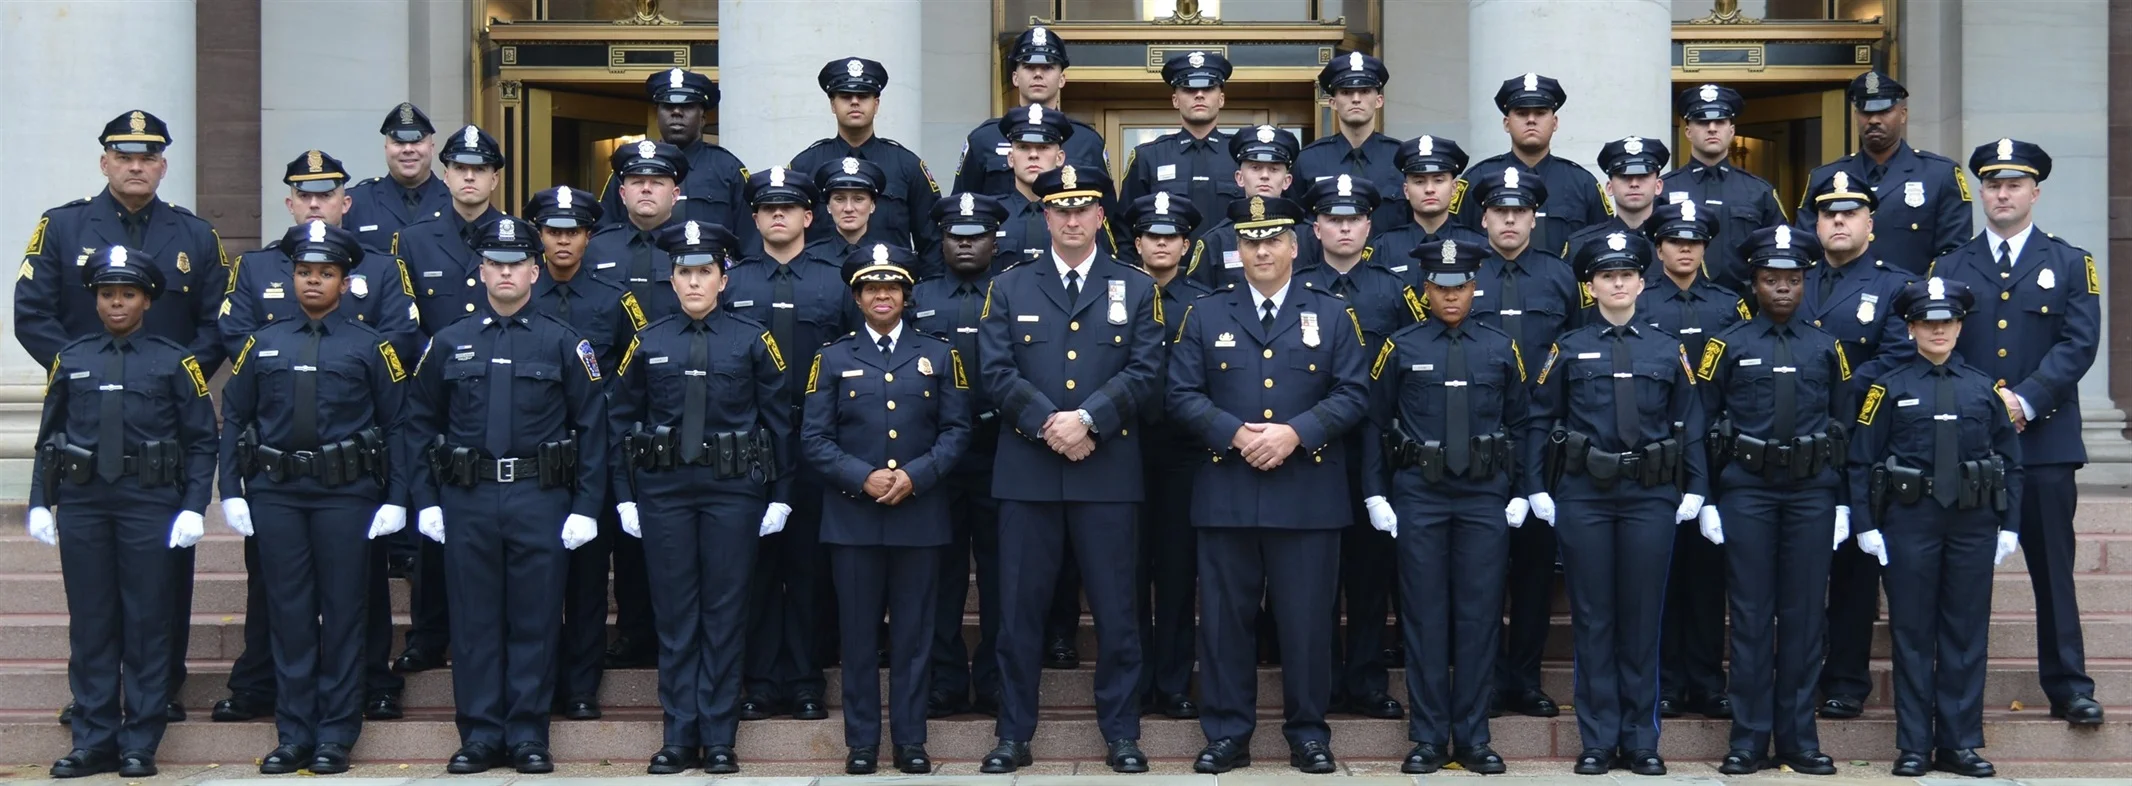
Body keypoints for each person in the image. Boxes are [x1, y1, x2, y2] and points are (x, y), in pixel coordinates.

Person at [18, 110, 228, 727]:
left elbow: (218, 321)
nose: (137, 167)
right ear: (104, 162)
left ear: (163, 166)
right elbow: (32, 312)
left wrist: (169, 378)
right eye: (125, 157)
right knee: (94, 591)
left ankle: (159, 688)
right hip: (87, 419)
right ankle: (94, 697)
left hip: (163, 424)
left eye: (148, 158)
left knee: (164, 573)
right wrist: (87, 372)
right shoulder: (62, 226)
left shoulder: (195, 235)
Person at [212, 149, 422, 727]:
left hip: (350, 461)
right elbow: (237, 336)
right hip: (278, 455)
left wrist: (342, 361)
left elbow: (400, 339)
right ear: (289, 203)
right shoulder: (257, 267)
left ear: (344, 203)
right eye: (303, 195)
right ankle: (266, 684)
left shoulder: (381, 267)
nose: (313, 203)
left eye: (325, 195)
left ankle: (368, 684)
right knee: (276, 588)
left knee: (358, 588)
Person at [1166, 195, 1369, 775]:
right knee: (1224, 625)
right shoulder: (1205, 314)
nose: (1262, 251)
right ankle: (1227, 733)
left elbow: (1355, 392)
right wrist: (1234, 434)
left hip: (1307, 494)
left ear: (1294, 246)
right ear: (1237, 249)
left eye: (1273, 239)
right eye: (1251, 241)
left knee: (1307, 625)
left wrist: (1295, 434)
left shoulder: (1332, 313)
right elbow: (1180, 393)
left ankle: (1308, 733)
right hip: (1227, 492)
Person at [975, 163, 1163, 775]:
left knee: (1118, 613)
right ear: (1045, 215)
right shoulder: (1010, 286)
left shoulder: (1135, 286)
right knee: (1017, 614)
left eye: (1083, 208)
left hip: (1107, 472)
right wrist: (1049, 424)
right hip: (1028, 473)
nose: (1073, 218)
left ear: (1101, 216)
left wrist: (1087, 420)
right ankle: (1013, 734)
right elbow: (995, 372)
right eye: (1061, 208)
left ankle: (1122, 733)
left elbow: (1146, 369)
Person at [404, 216, 607, 775]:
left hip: (539, 496)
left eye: (517, 263)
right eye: (496, 264)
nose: (506, 273)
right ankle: (479, 735)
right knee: (473, 622)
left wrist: (586, 507)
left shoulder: (564, 342)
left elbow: (593, 428)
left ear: (534, 271)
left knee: (535, 620)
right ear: (481, 271)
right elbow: (418, 424)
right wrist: (426, 501)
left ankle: (527, 734)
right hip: (467, 497)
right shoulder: (450, 342)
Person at [606, 220, 792, 775]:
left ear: (722, 279)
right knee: (675, 613)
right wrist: (625, 496)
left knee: (725, 612)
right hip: (664, 490)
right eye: (684, 272)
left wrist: (780, 495)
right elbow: (620, 420)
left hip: (733, 490)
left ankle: (718, 735)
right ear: (671, 279)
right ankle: (678, 735)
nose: (693, 282)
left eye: (704, 272)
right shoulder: (648, 340)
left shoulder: (754, 339)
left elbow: (780, 423)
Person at [1930, 139, 2104, 725]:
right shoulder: (1950, 267)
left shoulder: (2071, 262)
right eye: (1992, 185)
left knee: (2053, 572)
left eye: (2014, 185)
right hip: (1972, 444)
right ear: (1981, 191)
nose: (2001, 194)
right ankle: (1956, 695)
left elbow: (2079, 344)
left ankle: (2070, 686)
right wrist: (1989, 404)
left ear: (2035, 192)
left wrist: (2024, 399)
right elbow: (1941, 348)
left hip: (2045, 442)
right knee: (1963, 575)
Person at [1524, 229, 1708, 777]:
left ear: (1641, 283)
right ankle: (1599, 739)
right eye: (1607, 276)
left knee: (1642, 618)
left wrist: (1696, 487)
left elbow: (1690, 420)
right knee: (1593, 618)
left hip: (1650, 495)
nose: (1618, 283)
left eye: (1627, 274)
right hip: (1585, 494)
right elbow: (1541, 418)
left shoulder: (1666, 348)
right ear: (1591, 286)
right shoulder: (1568, 347)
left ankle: (1641, 739)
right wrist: (1536, 486)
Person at [27, 248, 216, 779]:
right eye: (107, 294)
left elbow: (202, 440)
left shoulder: (174, 361)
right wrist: (41, 499)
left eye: (127, 294)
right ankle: (93, 739)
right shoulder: (72, 358)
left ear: (146, 300)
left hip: (149, 501)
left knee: (146, 622)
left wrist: (194, 506)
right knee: (91, 623)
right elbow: (49, 438)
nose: (116, 303)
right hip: (85, 501)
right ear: (95, 299)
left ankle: (140, 740)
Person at [803, 244, 971, 774]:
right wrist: (862, 476)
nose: (882, 295)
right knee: (857, 638)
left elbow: (957, 429)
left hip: (918, 516)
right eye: (872, 288)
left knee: (915, 637)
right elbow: (814, 438)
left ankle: (910, 741)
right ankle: (861, 744)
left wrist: (916, 475)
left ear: (906, 294)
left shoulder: (939, 355)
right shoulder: (832, 358)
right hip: (853, 519)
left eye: (891, 287)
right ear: (857, 297)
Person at [1363, 237, 1528, 775]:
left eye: (1460, 286)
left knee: (1480, 615)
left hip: (1484, 494)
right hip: (1420, 492)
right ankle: (1430, 736)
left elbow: (1522, 422)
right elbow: (1375, 421)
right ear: (1425, 289)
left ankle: (1474, 737)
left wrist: (1522, 490)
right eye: (1440, 287)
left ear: (1475, 287)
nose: (1451, 296)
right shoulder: (1400, 346)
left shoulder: (1501, 347)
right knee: (1424, 615)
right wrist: (1376, 492)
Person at [1847, 277, 2021, 778]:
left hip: (1972, 521)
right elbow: (1861, 459)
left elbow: (2012, 462)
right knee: (1912, 632)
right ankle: (1913, 745)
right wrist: (1866, 524)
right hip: (1910, 520)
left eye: (1947, 322)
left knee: (1965, 633)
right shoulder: (1888, 388)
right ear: (1911, 327)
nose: (1938, 330)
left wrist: (2009, 526)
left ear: (1960, 326)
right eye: (1927, 322)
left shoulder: (1984, 388)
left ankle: (1960, 744)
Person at [1695, 225, 1852, 775]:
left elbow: (1846, 425)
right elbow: (1700, 422)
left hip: (1811, 493)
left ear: (1805, 282)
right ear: (1754, 282)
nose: (1782, 288)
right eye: (1770, 279)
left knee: (1805, 619)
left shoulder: (1827, 346)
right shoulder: (1726, 345)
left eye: (1792, 279)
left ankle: (1798, 740)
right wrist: (1707, 498)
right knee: (1751, 617)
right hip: (1748, 491)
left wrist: (1844, 503)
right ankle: (1747, 740)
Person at [726, 167, 859, 723]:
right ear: (755, 217)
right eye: (767, 208)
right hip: (748, 443)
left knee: (808, 567)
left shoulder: (837, 280)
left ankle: (806, 680)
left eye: (788, 207)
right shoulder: (732, 281)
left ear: (809, 216)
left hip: (816, 441)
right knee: (756, 567)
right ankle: (759, 681)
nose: (777, 215)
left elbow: (855, 356)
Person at [1295, 174, 1423, 721]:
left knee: (1370, 574)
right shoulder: (1298, 287)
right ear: (1316, 228)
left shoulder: (1393, 290)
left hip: (1374, 446)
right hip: (1310, 446)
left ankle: (1368, 681)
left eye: (1354, 220)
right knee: (1314, 575)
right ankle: (1321, 682)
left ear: (1369, 226)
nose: (1344, 229)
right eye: (1333, 219)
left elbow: (1414, 357)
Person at [522, 185, 646, 720]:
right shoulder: (523, 296)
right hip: (537, 455)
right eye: (553, 231)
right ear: (540, 237)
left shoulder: (615, 299)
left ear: (588, 236)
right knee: (539, 580)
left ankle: (580, 687)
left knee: (590, 579)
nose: (563, 241)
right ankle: (542, 681)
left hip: (601, 450)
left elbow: (639, 366)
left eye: (572, 232)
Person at [391, 123, 510, 676]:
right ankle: (428, 633)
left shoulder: (514, 236)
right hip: (436, 393)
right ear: (446, 174)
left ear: (494, 178)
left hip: (498, 392)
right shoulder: (414, 239)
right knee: (433, 522)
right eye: (460, 168)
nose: (469, 178)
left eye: (479, 169)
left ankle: (488, 632)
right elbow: (403, 318)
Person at [1465, 165, 1579, 719]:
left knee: (1535, 570)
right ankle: (1485, 680)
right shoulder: (1462, 274)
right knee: (1482, 573)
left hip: (1541, 437)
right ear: (1483, 217)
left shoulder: (1560, 277)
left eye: (1519, 212)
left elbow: (1574, 351)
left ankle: (1525, 680)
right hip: (1479, 436)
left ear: (1535, 218)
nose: (1509, 220)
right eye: (1499, 211)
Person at [1804, 168, 1918, 719]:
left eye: (1850, 213)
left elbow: (1897, 358)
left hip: (1859, 444)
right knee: (1802, 571)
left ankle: (1847, 680)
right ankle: (1800, 673)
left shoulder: (1896, 286)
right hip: (1798, 445)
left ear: (1870, 223)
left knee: (1852, 572)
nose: (1839, 221)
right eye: (1829, 213)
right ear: (1816, 223)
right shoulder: (1792, 277)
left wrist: (1826, 381)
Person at [1633, 200, 1748, 720]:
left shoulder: (1728, 305)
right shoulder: (1640, 301)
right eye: (1675, 241)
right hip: (1654, 450)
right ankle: (1665, 681)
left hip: (1714, 451)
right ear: (1658, 248)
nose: (1685, 249)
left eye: (1694, 242)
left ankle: (1705, 680)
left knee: (1706, 575)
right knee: (1660, 573)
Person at [910, 193, 1010, 719]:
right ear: (942, 240)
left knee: (1001, 574)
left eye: (977, 236)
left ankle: (995, 679)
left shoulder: (1013, 291)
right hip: (936, 457)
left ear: (995, 240)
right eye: (956, 236)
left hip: (1003, 450)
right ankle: (945, 678)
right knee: (940, 574)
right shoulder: (917, 295)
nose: (966, 244)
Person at [1120, 191, 1210, 720]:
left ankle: (1174, 682)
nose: (1161, 244)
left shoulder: (1204, 303)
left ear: (1186, 245)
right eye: (1152, 236)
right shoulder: (1117, 292)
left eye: (1170, 236)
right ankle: (1134, 679)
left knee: (1177, 572)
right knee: (1127, 572)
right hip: (1122, 448)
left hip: (1183, 452)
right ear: (1137, 243)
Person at [1795, 71, 1971, 275]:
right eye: (1866, 113)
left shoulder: (1939, 174)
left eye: (1884, 111)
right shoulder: (1825, 177)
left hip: (1911, 293)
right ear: (1856, 116)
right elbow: (1806, 250)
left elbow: (1954, 255)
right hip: (1841, 293)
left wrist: (1919, 292)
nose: (1874, 120)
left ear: (1903, 115)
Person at [790, 57, 941, 260]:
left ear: (876, 104)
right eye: (845, 96)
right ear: (833, 105)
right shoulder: (804, 166)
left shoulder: (907, 165)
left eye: (863, 96)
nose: (854, 102)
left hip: (889, 277)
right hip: (819, 278)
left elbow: (932, 241)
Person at [1449, 74, 1610, 259]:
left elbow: (1602, 243)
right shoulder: (1477, 180)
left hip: (1565, 278)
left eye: (1540, 113)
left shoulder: (1582, 183)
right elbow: (1456, 240)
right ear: (1506, 123)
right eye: (1521, 113)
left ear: (1555, 122)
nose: (1531, 120)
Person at [597, 68, 751, 245]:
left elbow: (750, 241)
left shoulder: (728, 168)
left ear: (703, 117)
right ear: (657, 115)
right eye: (668, 106)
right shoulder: (630, 168)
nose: (676, 112)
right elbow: (604, 235)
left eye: (687, 106)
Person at [953, 26, 1108, 200]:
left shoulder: (1087, 141)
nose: (1038, 74)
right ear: (1015, 77)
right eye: (1029, 67)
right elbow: (962, 205)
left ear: (1062, 79)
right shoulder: (984, 139)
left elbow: (1106, 211)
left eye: (1047, 67)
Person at [1662, 84, 1788, 293]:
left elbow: (1778, 251)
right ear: (1688, 132)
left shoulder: (1758, 191)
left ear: (1732, 131)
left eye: (1720, 121)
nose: (1712, 128)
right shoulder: (1664, 189)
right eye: (1702, 121)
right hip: (1677, 300)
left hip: (1742, 302)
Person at [1119, 51, 1239, 248]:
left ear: (1221, 99)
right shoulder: (1149, 157)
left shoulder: (1241, 156)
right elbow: (1124, 228)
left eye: (1208, 88)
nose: (1199, 95)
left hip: (1230, 266)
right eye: (1189, 89)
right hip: (1168, 267)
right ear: (1175, 100)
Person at [586, 140, 703, 321]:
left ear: (675, 196)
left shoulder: (696, 248)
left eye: (656, 182)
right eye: (638, 182)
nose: (646, 189)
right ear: (623, 194)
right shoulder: (596, 248)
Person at [1192, 126, 1322, 288]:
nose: (1265, 176)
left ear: (1287, 181)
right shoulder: (1215, 241)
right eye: (1255, 168)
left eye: (1274, 169)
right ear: (1239, 178)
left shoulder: (1312, 238)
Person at [993, 104, 1117, 267]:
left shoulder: (1082, 216)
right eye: (1023, 147)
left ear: (1060, 158)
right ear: (1010, 158)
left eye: (1043, 147)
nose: (1033, 155)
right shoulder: (993, 213)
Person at [1296, 52, 1404, 228]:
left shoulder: (1399, 158)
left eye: (1365, 91)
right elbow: (1298, 225)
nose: (1356, 99)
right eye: (1346, 92)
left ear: (1379, 101)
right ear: (1332, 102)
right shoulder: (1308, 160)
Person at [1369, 135, 1487, 278]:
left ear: (1454, 188)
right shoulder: (1383, 249)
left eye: (1438, 180)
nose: (1429, 189)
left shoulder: (1477, 246)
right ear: (1406, 190)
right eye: (1419, 182)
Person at [345, 102, 451, 251]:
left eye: (416, 141)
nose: (408, 149)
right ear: (386, 149)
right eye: (399, 142)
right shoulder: (356, 203)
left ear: (432, 148)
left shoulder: (454, 200)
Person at [1566, 135, 1669, 260]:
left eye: (1643, 175)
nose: (1634, 184)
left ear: (1658, 186)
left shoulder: (1674, 243)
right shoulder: (1582, 244)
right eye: (1624, 176)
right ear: (1609, 187)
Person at [806, 156, 908, 273]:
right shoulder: (808, 258)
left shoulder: (892, 259)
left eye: (858, 199)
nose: (848, 208)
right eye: (839, 199)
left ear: (872, 205)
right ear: (828, 206)